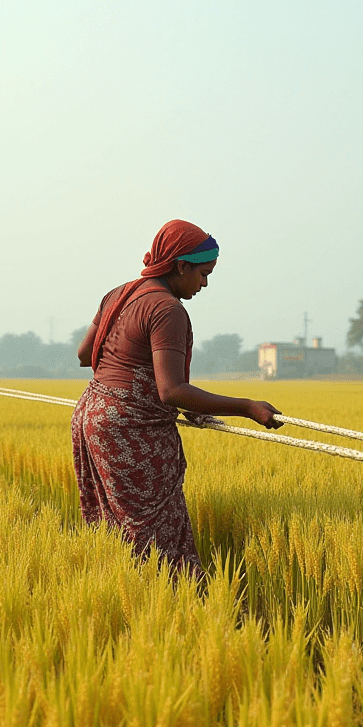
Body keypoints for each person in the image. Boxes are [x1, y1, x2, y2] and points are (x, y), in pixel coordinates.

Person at [72, 219, 282, 578]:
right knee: (153, 537)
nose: (205, 283)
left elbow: (84, 354)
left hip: (91, 418)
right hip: (131, 431)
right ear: (181, 266)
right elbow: (172, 391)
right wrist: (247, 407)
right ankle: (168, 610)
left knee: (116, 529)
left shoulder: (117, 294)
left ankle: (128, 604)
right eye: (203, 273)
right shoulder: (167, 309)